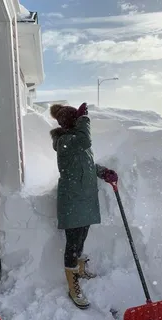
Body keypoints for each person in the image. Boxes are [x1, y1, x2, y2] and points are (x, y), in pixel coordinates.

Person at [50, 102, 118, 309]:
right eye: (77, 120)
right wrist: (84, 119)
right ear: (72, 123)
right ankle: (73, 286)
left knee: (82, 236)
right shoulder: (65, 141)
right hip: (72, 199)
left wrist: (102, 171)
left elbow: (86, 163)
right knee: (73, 242)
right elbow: (85, 140)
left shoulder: (75, 142)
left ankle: (79, 269)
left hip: (85, 198)